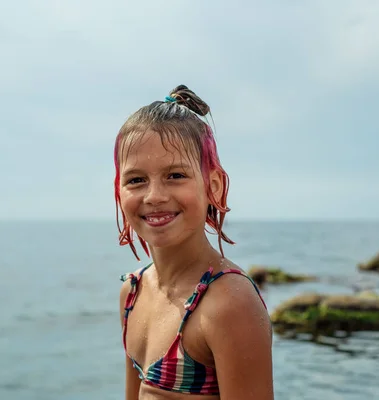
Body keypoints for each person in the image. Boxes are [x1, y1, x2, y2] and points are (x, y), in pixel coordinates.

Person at [114, 85, 274, 399]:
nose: (155, 196)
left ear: (211, 184)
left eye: (175, 175)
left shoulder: (229, 302)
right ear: (120, 190)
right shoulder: (132, 292)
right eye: (136, 180)